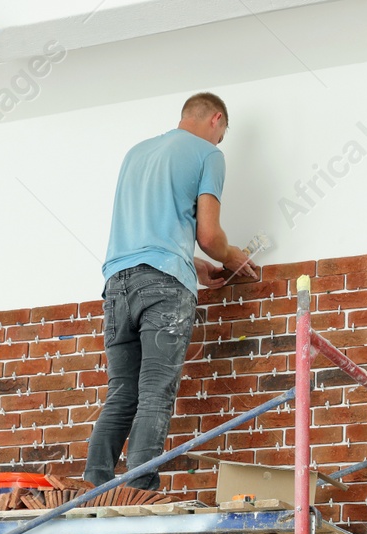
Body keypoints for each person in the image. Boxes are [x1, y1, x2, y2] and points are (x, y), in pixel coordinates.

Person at [85, 91, 258, 491]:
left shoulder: (136, 153)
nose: (218, 144)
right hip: (163, 288)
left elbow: (151, 233)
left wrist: (192, 263)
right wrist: (232, 258)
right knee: (155, 391)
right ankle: (138, 488)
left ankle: (93, 483)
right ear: (216, 119)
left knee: (122, 392)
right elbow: (210, 235)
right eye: (221, 135)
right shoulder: (208, 154)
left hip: (117, 284)